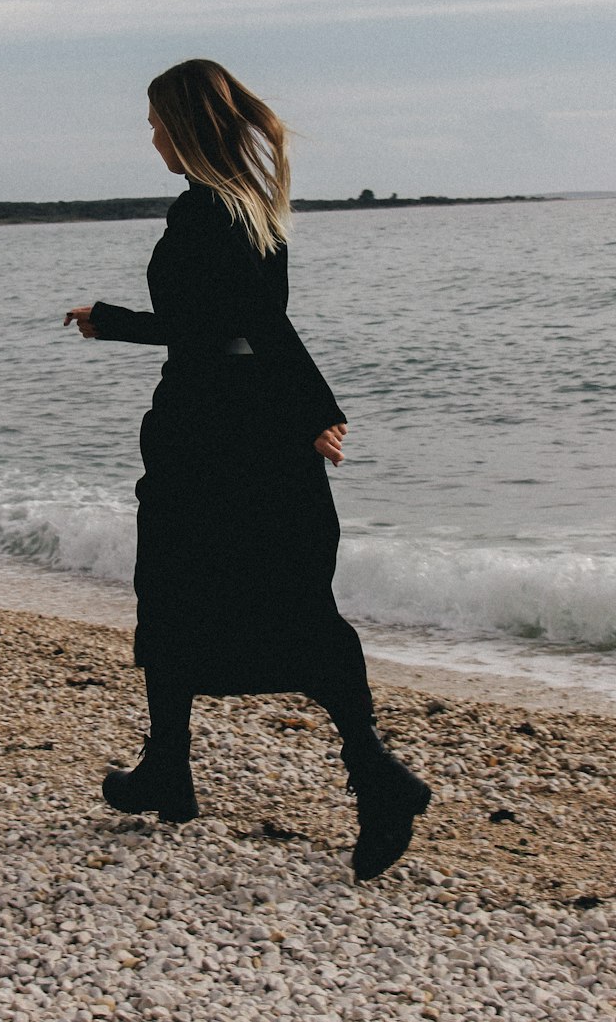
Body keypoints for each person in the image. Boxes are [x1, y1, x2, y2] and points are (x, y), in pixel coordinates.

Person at [65, 60, 430, 880]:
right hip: (230, 420)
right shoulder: (241, 207)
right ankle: (170, 768)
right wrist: (117, 324)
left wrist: (318, 412)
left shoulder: (211, 213)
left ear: (187, 126)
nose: (150, 134)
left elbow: (259, 325)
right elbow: (216, 323)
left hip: (215, 433)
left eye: (158, 121)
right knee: (225, 595)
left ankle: (377, 779)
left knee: (205, 591)